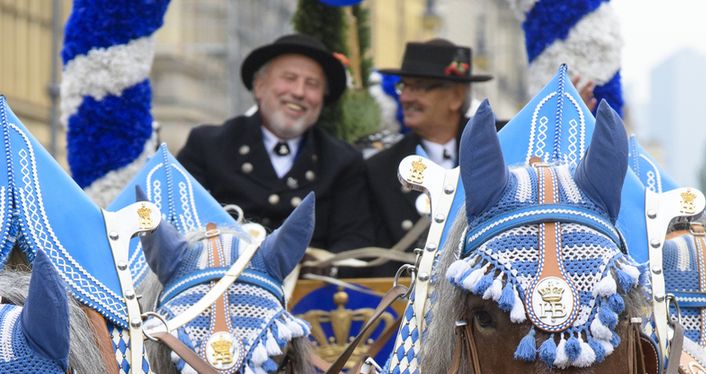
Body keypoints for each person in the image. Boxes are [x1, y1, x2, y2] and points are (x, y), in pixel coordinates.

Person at [177, 33, 374, 253]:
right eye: (289, 78)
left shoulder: (343, 162)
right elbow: (179, 223)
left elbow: (354, 243)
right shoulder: (208, 145)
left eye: (312, 84)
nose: (299, 92)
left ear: (322, 98)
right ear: (259, 86)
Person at [365, 39, 492, 271]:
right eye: (405, 86)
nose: (405, 98)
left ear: (455, 96)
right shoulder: (380, 168)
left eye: (420, 87)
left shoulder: (497, 147)